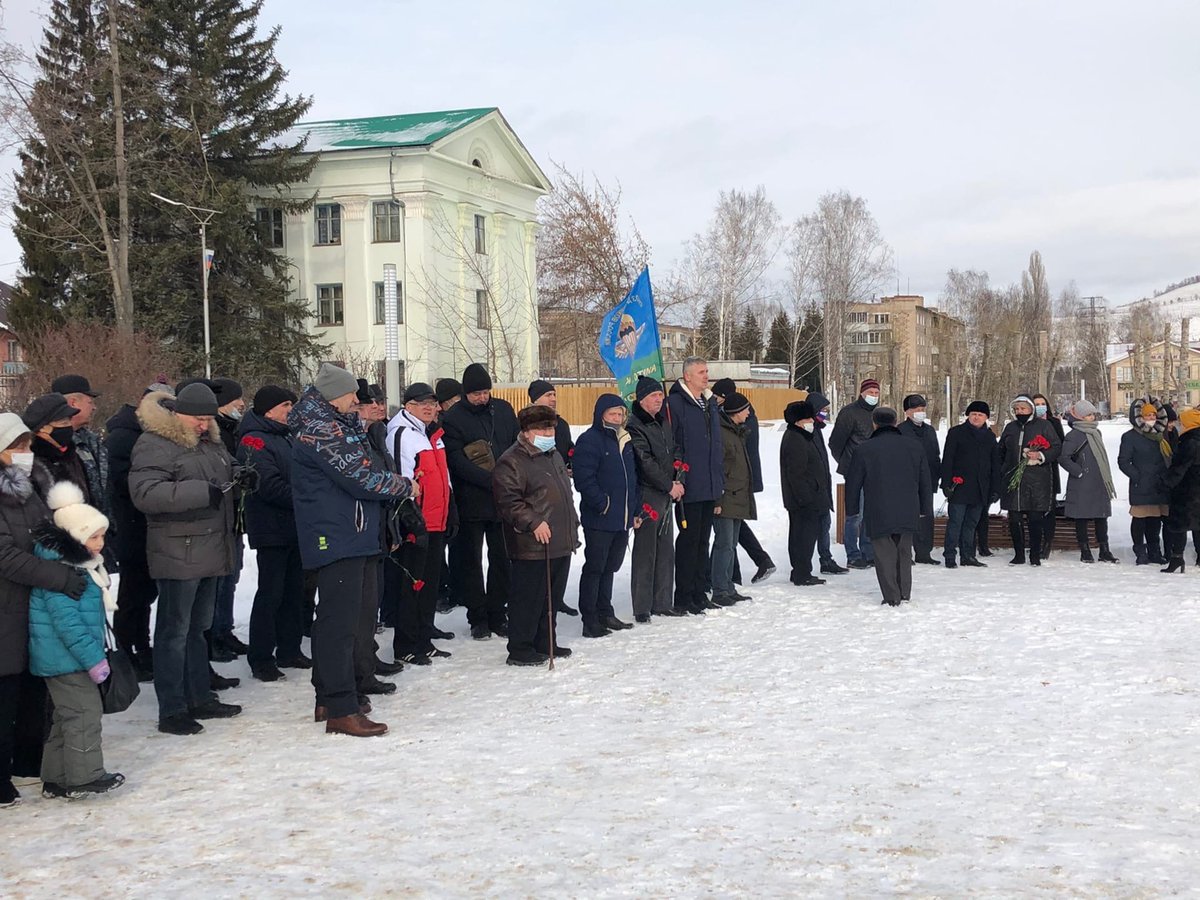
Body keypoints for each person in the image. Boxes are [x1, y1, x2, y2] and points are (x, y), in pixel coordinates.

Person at [289, 363, 413, 737]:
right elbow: (360, 477)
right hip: (336, 535)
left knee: (343, 620)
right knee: (338, 624)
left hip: (351, 532)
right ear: (333, 395)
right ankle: (341, 707)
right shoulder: (320, 430)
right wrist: (403, 486)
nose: (356, 401)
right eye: (351, 395)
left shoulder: (333, 425)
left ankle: (330, 696)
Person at [130, 383, 245, 736]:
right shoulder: (155, 442)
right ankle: (172, 707)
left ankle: (199, 696)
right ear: (178, 414)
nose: (202, 424)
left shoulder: (210, 441)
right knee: (173, 632)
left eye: (207, 419)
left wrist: (240, 476)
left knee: (198, 630)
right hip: (178, 550)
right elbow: (145, 492)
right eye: (197, 418)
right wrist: (201, 492)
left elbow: (219, 474)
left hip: (209, 547)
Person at [0, 413, 87, 808]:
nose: (24, 454)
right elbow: (5, 556)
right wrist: (57, 577)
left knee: (32, 689)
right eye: (15, 447)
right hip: (6, 603)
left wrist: (77, 552)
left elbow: (44, 531)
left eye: (26, 445)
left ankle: (27, 759)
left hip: (30, 604)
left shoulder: (27, 488)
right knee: (5, 692)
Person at [28, 482, 124, 799]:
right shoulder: (64, 573)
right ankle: (84, 776)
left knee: (65, 717)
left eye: (102, 535)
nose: (100, 543)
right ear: (75, 537)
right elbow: (68, 624)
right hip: (65, 658)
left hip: (65, 657)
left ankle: (56, 775)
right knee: (84, 714)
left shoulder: (78, 566)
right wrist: (93, 659)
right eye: (93, 536)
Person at [492, 405, 580, 666]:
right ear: (527, 432)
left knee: (550, 597)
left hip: (559, 540)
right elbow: (508, 501)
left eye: (550, 427)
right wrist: (533, 523)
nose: (547, 432)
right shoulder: (512, 460)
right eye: (541, 428)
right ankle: (520, 648)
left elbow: (564, 493)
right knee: (528, 598)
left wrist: (571, 525)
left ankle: (545, 641)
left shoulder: (552, 455)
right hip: (531, 543)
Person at [440, 364, 519, 640]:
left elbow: (515, 444)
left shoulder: (504, 410)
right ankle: (478, 616)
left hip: (502, 501)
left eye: (485, 392)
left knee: (502, 559)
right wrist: (491, 480)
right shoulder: (453, 418)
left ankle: (498, 613)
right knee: (470, 562)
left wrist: (510, 479)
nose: (482, 398)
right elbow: (456, 461)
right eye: (476, 394)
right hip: (471, 500)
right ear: (465, 393)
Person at [238, 386, 308, 682]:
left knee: (295, 591)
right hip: (271, 528)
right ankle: (261, 656)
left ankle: (289, 648)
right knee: (271, 593)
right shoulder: (253, 440)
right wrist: (308, 498)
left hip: (295, 527)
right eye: (285, 405)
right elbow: (265, 484)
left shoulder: (287, 436)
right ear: (268, 410)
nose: (290, 410)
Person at [106, 380, 173, 682]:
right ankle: (124, 651)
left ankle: (142, 646)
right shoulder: (124, 434)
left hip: (146, 523)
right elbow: (123, 482)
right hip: (132, 523)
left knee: (145, 591)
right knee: (132, 592)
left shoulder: (142, 432)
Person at [385, 382, 455, 665]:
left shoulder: (432, 433)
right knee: (411, 585)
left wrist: (452, 508)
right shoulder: (402, 433)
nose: (430, 408)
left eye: (433, 403)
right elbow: (402, 479)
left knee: (429, 583)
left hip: (437, 518)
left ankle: (424, 639)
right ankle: (406, 644)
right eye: (422, 403)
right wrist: (410, 519)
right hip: (417, 520)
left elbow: (442, 475)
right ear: (408, 406)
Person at [845, 407, 932, 606]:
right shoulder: (914, 446)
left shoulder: (864, 449)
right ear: (895, 422)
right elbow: (925, 480)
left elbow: (853, 483)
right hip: (908, 507)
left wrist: (852, 510)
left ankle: (891, 595)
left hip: (878, 507)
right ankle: (904, 592)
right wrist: (924, 508)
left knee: (884, 553)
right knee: (904, 551)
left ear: (874, 424)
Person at [572, 394, 639, 637]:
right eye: (612, 414)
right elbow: (584, 479)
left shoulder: (625, 440)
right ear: (601, 414)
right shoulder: (590, 440)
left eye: (620, 414)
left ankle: (605, 611)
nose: (617, 418)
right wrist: (602, 504)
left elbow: (632, 479)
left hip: (621, 518)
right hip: (600, 517)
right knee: (595, 567)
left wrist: (634, 509)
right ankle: (590, 619)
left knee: (610, 566)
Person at [667, 357, 723, 614]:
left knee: (703, 541)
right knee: (688, 542)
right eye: (701, 372)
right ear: (687, 376)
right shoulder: (676, 404)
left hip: (709, 483)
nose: (706, 375)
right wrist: (679, 476)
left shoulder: (709, 402)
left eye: (707, 371)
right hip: (689, 485)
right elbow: (673, 444)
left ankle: (700, 593)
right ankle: (684, 596)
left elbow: (715, 445)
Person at [627, 376, 685, 622]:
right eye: (654, 396)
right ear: (642, 400)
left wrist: (679, 476)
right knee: (645, 552)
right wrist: (667, 484)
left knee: (665, 549)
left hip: (667, 492)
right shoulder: (635, 426)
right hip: (648, 493)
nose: (660, 400)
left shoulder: (663, 422)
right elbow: (645, 462)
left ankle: (662, 601)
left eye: (661, 396)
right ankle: (642, 606)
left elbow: (675, 449)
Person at [711, 379, 775, 584]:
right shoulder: (742, 417)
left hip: (737, 479)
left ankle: (736, 573)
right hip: (740, 477)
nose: (714, 398)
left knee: (729, 530)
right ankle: (741, 570)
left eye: (717, 395)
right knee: (732, 529)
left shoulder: (740, 419)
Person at [998, 395, 1062, 567]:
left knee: (1035, 518)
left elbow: (1056, 447)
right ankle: (1019, 554)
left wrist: (1040, 455)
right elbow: (1002, 450)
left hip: (1037, 479)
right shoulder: (1010, 427)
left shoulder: (1044, 426)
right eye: (1017, 409)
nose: (1020, 412)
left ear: (1031, 410)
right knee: (1014, 517)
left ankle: (1035, 554)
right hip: (1014, 478)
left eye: (1023, 409)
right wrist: (1003, 469)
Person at [210, 377, 248, 660]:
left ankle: (224, 629)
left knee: (231, 577)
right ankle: (213, 634)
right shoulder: (214, 431)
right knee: (218, 580)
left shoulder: (233, 429)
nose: (242, 404)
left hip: (234, 515)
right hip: (216, 516)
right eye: (237, 399)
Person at [939, 401, 1000, 569]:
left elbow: (995, 464)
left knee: (971, 524)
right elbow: (948, 460)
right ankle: (950, 556)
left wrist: (996, 488)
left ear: (986, 417)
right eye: (973, 414)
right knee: (955, 523)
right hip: (959, 487)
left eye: (980, 415)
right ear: (968, 415)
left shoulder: (989, 437)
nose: (976, 417)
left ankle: (968, 555)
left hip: (981, 489)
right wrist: (946, 484)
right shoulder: (956, 433)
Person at [829, 378, 882, 568]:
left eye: (876, 393)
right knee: (854, 514)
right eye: (870, 393)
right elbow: (835, 442)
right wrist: (847, 464)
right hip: (854, 471)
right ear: (862, 393)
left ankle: (868, 552)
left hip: (874, 472)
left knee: (869, 513)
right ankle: (852, 554)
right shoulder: (849, 413)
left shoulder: (878, 413)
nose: (873, 396)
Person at [711, 392, 756, 605]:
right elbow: (716, 468)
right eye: (746, 409)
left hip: (738, 496)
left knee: (732, 545)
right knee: (724, 545)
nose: (749, 413)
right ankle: (720, 590)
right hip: (726, 498)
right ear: (736, 412)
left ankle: (728, 586)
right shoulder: (721, 433)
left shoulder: (736, 432)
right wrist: (717, 500)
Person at [1060, 399, 1118, 563]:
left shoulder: (1096, 433)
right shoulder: (1073, 435)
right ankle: (1085, 550)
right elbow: (1064, 458)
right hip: (1082, 482)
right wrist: (1079, 472)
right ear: (1079, 417)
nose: (1092, 418)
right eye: (1088, 415)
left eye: (1093, 414)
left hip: (1099, 481)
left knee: (1101, 516)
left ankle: (1104, 549)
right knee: (1082, 517)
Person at [780, 400, 831, 587]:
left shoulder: (802, 436)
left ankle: (802, 571)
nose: (812, 421)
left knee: (805, 536)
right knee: (803, 537)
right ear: (798, 421)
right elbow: (796, 473)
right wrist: (806, 498)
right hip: (804, 500)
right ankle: (802, 572)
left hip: (809, 497)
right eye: (808, 418)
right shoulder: (796, 439)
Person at [1117, 397, 1171, 565]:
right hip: (1142, 484)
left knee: (1155, 520)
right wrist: (1137, 476)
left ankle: (1154, 551)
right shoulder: (1130, 437)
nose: (1151, 418)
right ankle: (1140, 550)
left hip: (1159, 485)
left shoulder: (1161, 436)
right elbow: (1123, 461)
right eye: (1147, 415)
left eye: (1154, 414)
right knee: (1140, 519)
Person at [51, 375, 110, 527]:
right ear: (73, 403)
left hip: (97, 529)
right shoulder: (51, 443)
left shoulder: (90, 439)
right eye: (90, 402)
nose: (94, 407)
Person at [805, 391, 847, 575]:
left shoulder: (817, 431)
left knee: (825, 525)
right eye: (823, 410)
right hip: (813, 490)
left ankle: (826, 559)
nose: (825, 413)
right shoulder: (807, 432)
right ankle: (806, 565)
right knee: (812, 529)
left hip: (822, 488)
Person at [897, 394, 941, 564]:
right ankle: (905, 553)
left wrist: (937, 477)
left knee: (926, 516)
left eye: (922, 409)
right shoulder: (900, 430)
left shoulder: (929, 431)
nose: (919, 412)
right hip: (907, 481)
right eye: (915, 409)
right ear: (907, 412)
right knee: (907, 517)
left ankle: (924, 552)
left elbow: (935, 454)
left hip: (928, 479)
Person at [23, 393, 89, 500]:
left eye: (69, 421)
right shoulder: (31, 464)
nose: (69, 427)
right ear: (43, 428)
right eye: (63, 423)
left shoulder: (71, 456)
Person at [1159, 407, 1200, 574]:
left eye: (1181, 422)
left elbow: (1180, 468)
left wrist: (1165, 483)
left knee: (1179, 525)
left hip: (1187, 491)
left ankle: (1177, 558)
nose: (1178, 425)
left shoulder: (1189, 442)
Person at [1031, 393, 1066, 559]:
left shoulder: (1054, 422)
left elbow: (1061, 443)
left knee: (1049, 507)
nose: (1039, 406)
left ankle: (1047, 541)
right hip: (1031, 469)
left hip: (1050, 468)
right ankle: (1035, 542)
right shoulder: (1028, 423)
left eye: (1042, 403)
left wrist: (1046, 452)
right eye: (1036, 404)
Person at [528, 379, 575, 469]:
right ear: (536, 399)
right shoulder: (524, 423)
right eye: (548, 395)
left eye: (554, 395)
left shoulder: (561, 424)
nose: (553, 399)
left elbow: (568, 449)